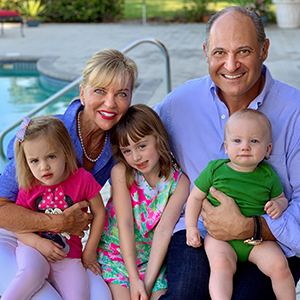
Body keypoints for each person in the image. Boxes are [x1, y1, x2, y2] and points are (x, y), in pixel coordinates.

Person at [154, 6, 300, 300]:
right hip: (198, 232)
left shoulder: (295, 112)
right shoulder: (179, 104)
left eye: (243, 51)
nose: (231, 65)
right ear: (206, 52)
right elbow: (130, 136)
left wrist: (253, 225)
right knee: (184, 295)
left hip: (271, 239)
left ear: (264, 49)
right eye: (220, 52)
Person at [0, 49, 138, 299]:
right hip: (14, 235)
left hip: (64, 246)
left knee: (100, 297)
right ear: (82, 93)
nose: (110, 103)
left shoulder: (118, 143)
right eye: (100, 91)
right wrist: (58, 223)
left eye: (121, 94)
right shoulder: (45, 136)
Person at [185, 109, 295, 300]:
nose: (245, 147)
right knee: (221, 266)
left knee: (280, 266)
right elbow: (194, 198)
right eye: (237, 141)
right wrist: (190, 227)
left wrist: (279, 205)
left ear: (267, 149)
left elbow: (282, 198)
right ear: (226, 147)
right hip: (220, 238)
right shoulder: (215, 169)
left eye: (254, 141)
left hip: (256, 239)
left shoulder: (268, 175)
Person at [2, 115, 106, 300]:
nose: (44, 167)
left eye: (51, 156)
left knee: (78, 296)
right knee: (30, 273)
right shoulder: (29, 185)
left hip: (68, 255)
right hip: (33, 247)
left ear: (66, 152)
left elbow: (99, 212)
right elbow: (18, 226)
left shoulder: (83, 180)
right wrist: (38, 244)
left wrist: (89, 251)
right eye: (34, 161)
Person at [97, 104, 190, 300]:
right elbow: (125, 224)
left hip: (152, 259)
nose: (136, 157)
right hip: (118, 255)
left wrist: (146, 284)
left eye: (141, 146)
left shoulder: (179, 182)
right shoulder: (121, 173)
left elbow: (164, 230)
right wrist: (133, 279)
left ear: (158, 138)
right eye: (127, 150)